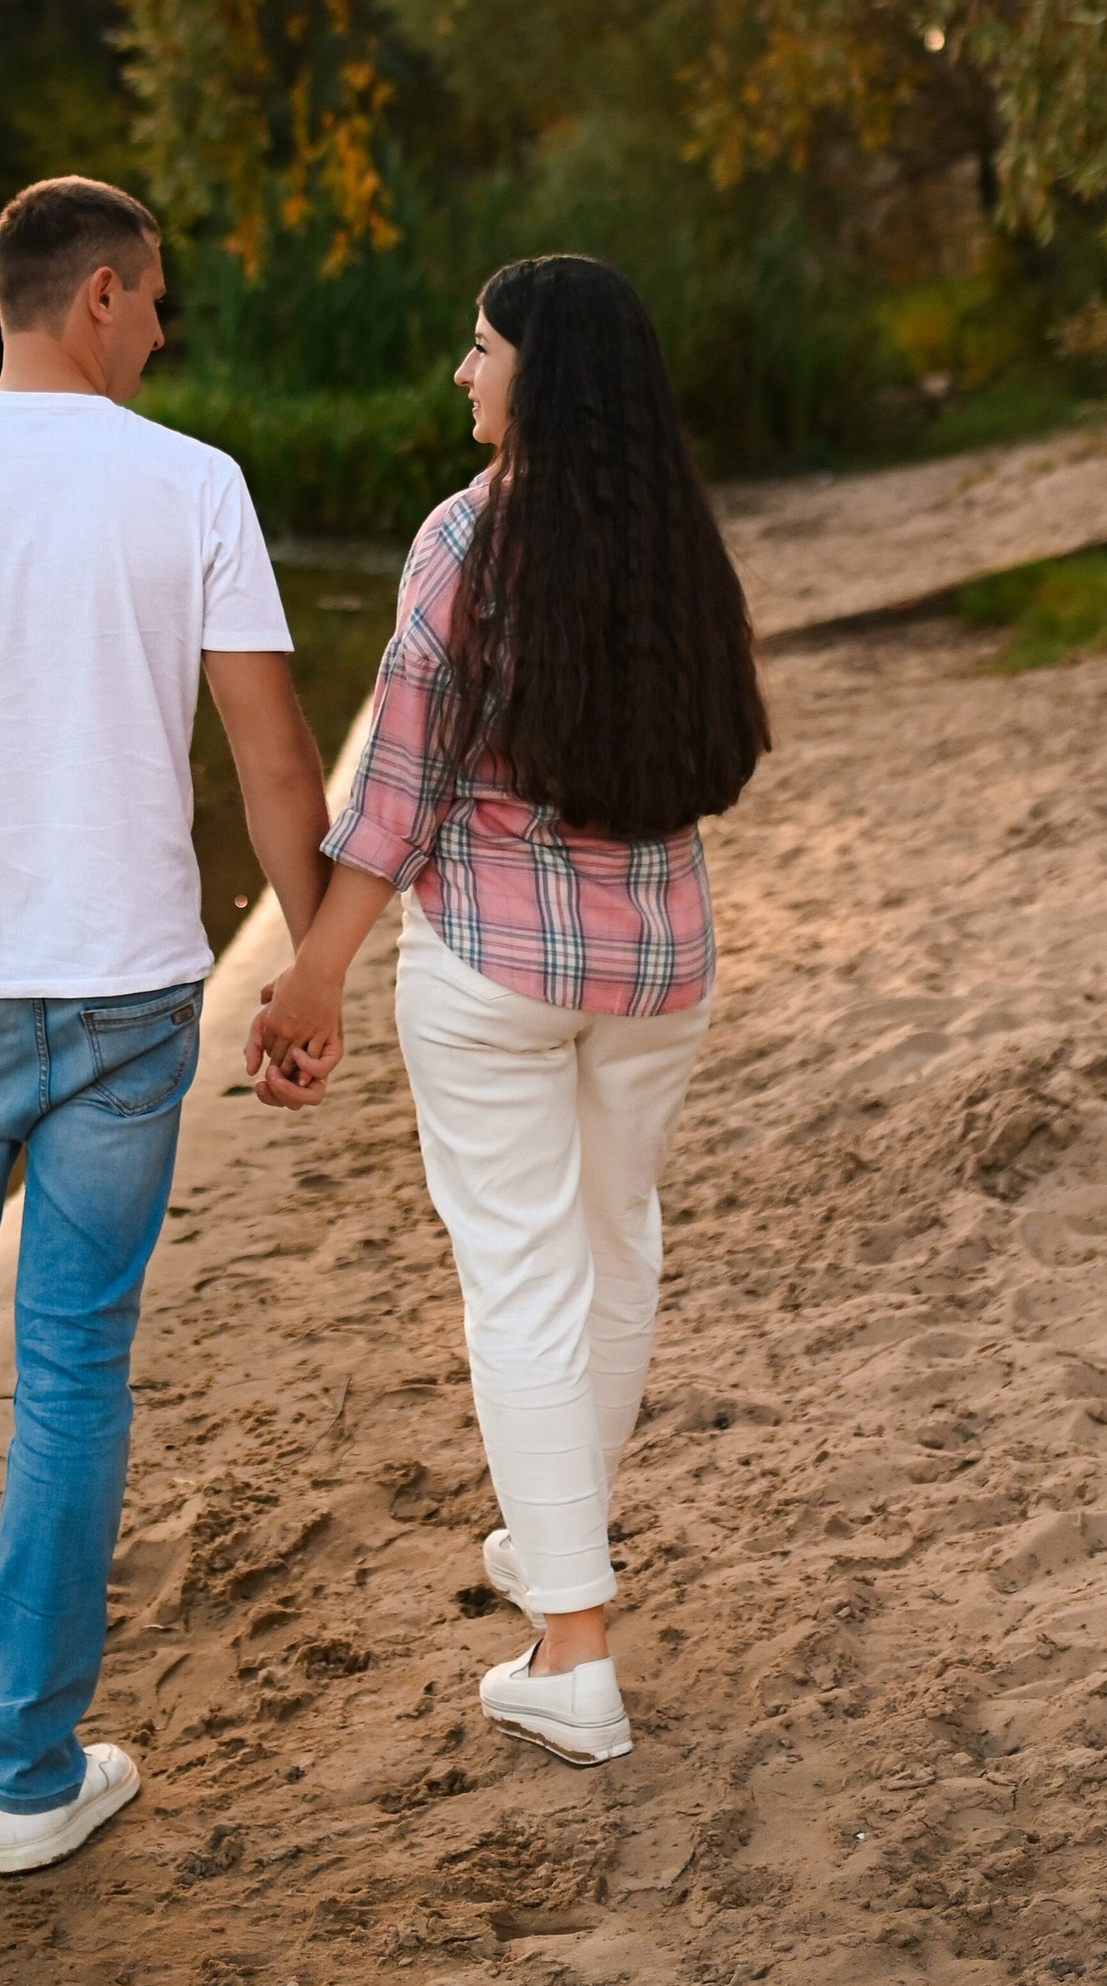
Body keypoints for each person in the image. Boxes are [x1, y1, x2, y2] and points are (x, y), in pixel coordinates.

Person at [0, 176, 332, 1872]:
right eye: (156, 298)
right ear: (97, 294)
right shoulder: (193, 490)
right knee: (75, 1362)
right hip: (123, 996)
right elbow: (269, 759)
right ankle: (32, 1776)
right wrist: (310, 963)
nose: (165, 330)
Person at [249, 253, 769, 1768]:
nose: (461, 375)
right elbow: (720, 740)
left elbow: (397, 797)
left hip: (496, 971)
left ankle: (573, 1651)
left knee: (524, 1282)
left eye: (480, 350)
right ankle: (557, 1547)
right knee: (615, 1245)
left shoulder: (468, 541)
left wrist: (316, 971)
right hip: (662, 968)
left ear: (540, 374)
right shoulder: (678, 539)